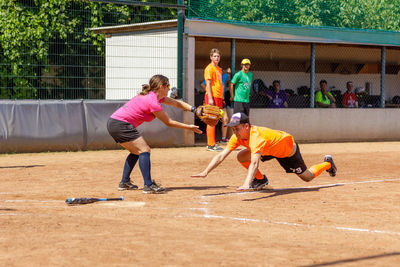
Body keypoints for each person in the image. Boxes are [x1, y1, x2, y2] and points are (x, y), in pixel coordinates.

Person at [191, 112, 337, 191]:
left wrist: (246, 183)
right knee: (241, 155)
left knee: (307, 177)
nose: (234, 132)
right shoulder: (238, 137)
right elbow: (221, 155)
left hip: (286, 150)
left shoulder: (256, 137)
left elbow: (254, 162)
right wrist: (206, 171)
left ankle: (328, 164)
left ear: (246, 126)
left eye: (237, 128)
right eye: (233, 129)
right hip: (269, 149)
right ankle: (261, 180)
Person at [107, 74, 202, 194]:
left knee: (136, 151)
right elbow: (169, 122)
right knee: (144, 150)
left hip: (115, 123)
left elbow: (178, 104)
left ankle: (124, 182)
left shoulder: (155, 97)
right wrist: (189, 127)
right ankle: (148, 185)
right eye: (168, 85)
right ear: (161, 87)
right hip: (120, 124)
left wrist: (195, 110)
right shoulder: (152, 101)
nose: (169, 88)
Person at [201, 67, 230, 143]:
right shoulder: (213, 77)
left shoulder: (222, 77)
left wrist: (228, 72)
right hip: (214, 99)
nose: (218, 71)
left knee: (225, 119)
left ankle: (223, 138)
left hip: (221, 100)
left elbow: (228, 74)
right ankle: (212, 141)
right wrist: (209, 92)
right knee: (213, 119)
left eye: (219, 70)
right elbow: (203, 84)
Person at [204, 48, 224, 151]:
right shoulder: (209, 68)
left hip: (219, 96)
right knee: (211, 119)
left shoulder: (219, 69)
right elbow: (208, 84)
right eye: (214, 56)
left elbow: (219, 84)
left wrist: (222, 97)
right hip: (212, 96)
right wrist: (210, 98)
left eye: (218, 56)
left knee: (215, 119)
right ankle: (210, 144)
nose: (216, 58)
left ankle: (213, 143)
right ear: (211, 57)